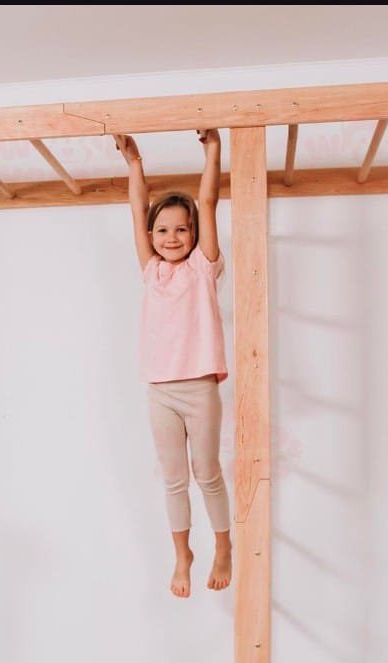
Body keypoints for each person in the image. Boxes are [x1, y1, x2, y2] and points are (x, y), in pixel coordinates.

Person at [115, 128, 232, 598]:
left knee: (208, 473)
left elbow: (209, 201)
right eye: (162, 230)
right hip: (159, 390)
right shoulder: (152, 271)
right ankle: (183, 553)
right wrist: (134, 163)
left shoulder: (203, 267)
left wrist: (213, 150)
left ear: (195, 234)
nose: (172, 237)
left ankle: (223, 545)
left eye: (182, 229)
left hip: (200, 387)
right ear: (150, 236)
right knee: (173, 480)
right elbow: (136, 208)